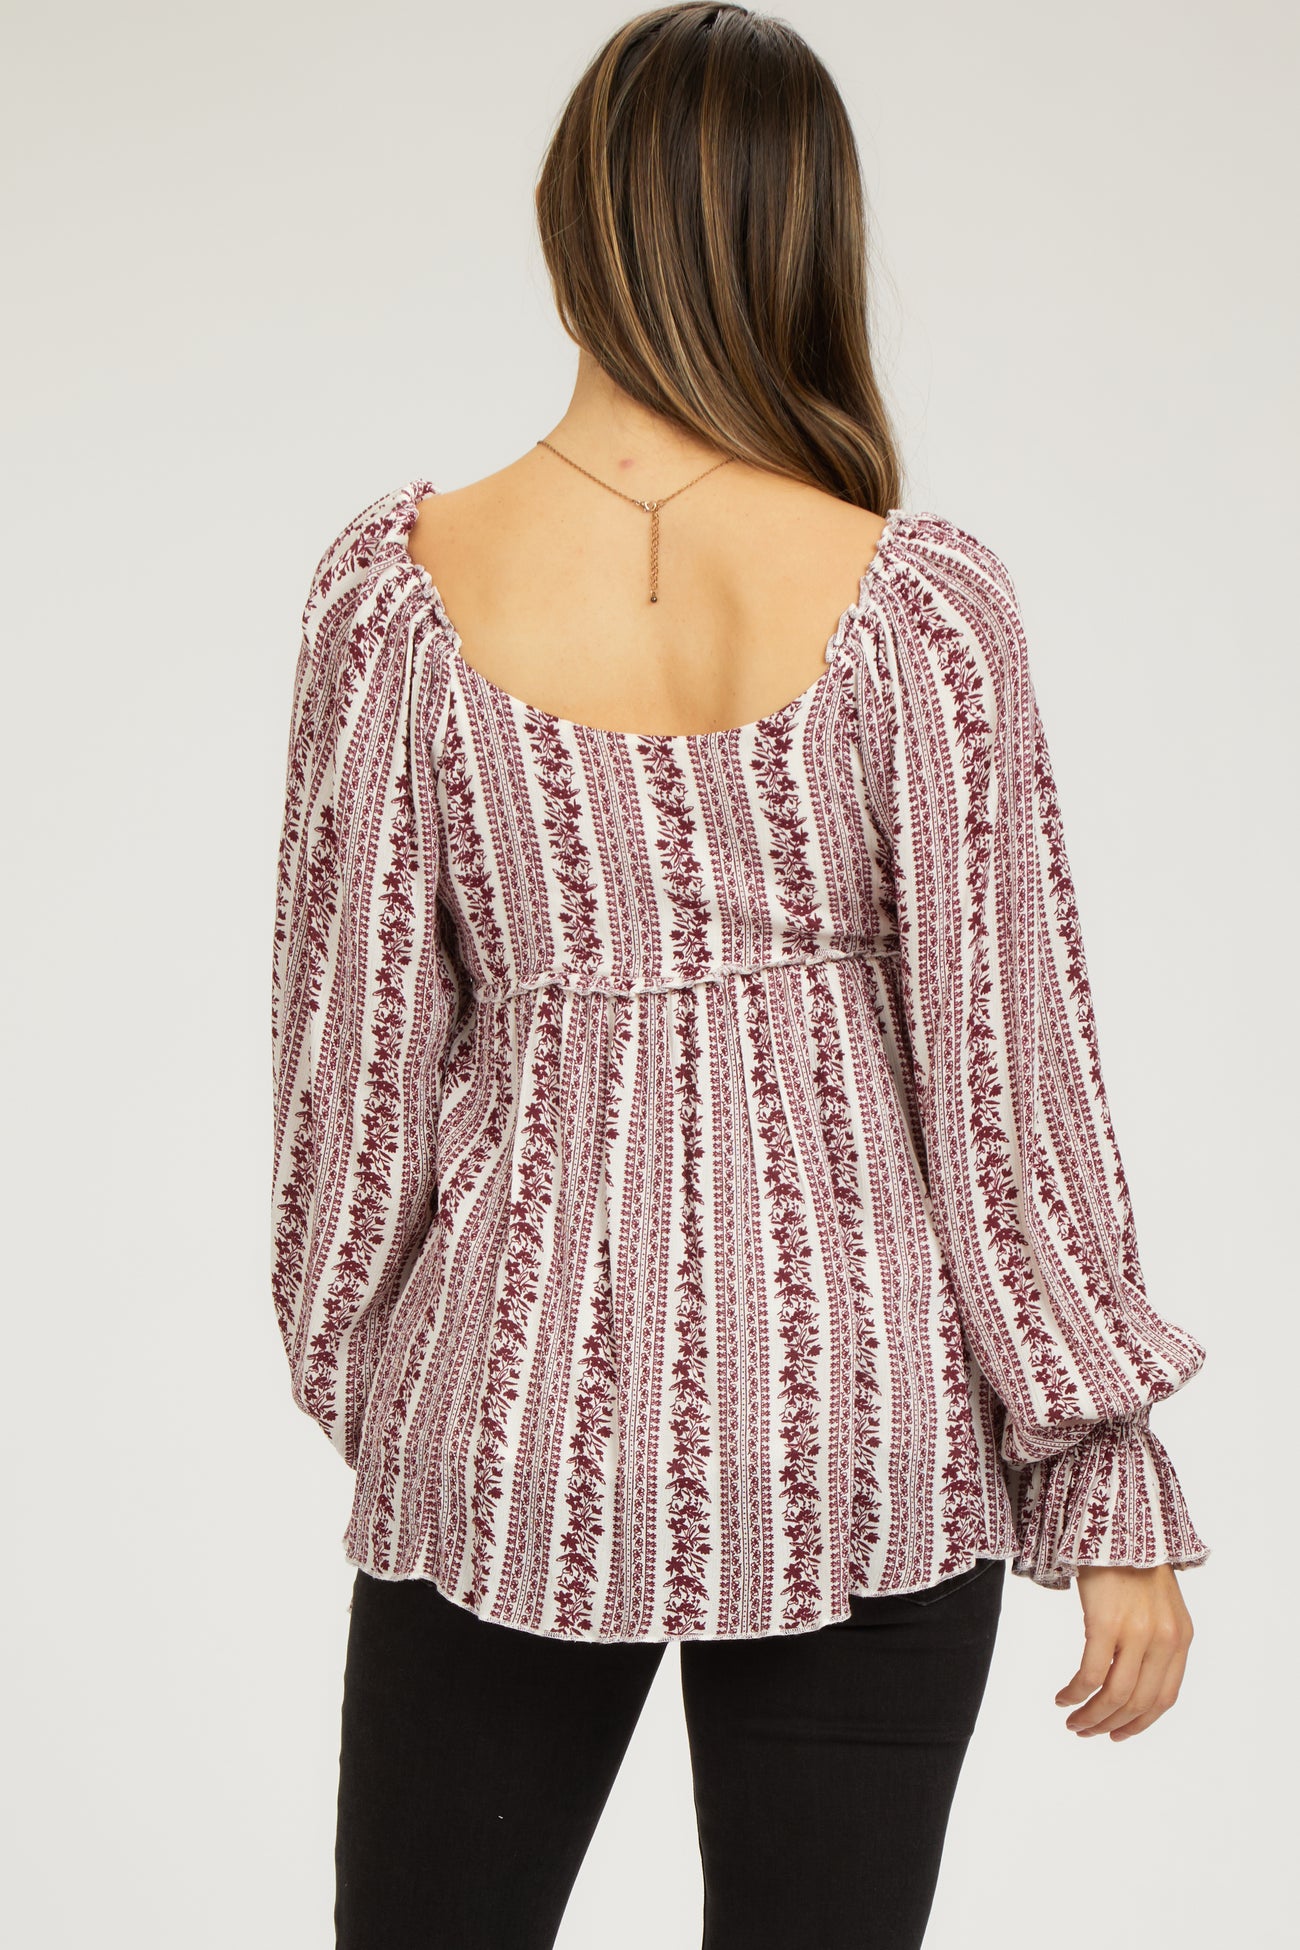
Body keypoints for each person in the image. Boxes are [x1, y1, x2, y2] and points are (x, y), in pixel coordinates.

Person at [269, 6, 1210, 1946]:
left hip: (507, 1415)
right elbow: (1007, 1087)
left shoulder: (397, 596)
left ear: (567, 224)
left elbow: (344, 1079)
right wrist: (1105, 1477)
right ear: (806, 242)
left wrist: (394, 1385)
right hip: (871, 1429)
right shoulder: (917, 604)